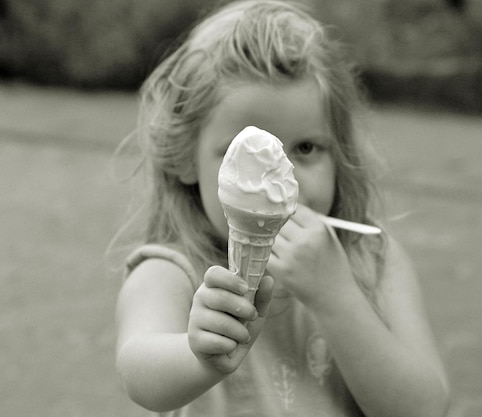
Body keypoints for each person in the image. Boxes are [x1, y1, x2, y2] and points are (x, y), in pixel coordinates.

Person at [114, 1, 449, 416]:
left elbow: (425, 408)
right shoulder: (173, 271)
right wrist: (196, 352)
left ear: (339, 153)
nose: (282, 176)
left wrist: (336, 296)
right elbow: (138, 375)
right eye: (245, 154)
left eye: (306, 148)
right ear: (185, 158)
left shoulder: (373, 261)